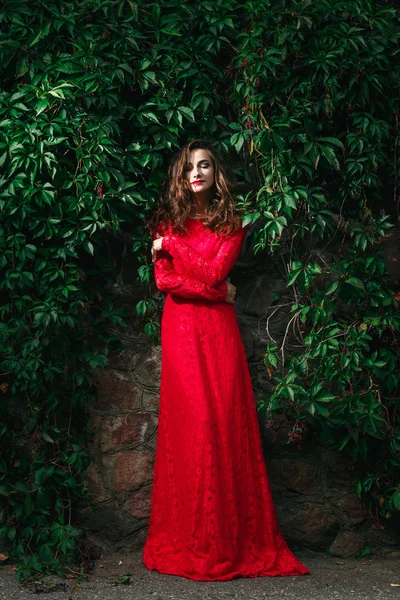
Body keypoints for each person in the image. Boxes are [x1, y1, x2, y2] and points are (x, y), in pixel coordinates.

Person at [142, 139, 309, 581]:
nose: (196, 172)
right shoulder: (165, 220)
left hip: (217, 334)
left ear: (216, 174)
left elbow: (214, 271)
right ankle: (190, 541)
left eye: (205, 166)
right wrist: (216, 292)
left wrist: (175, 246)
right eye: (189, 167)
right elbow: (164, 282)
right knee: (191, 427)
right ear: (180, 176)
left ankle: (227, 543)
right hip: (182, 330)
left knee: (222, 424)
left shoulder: (231, 222)